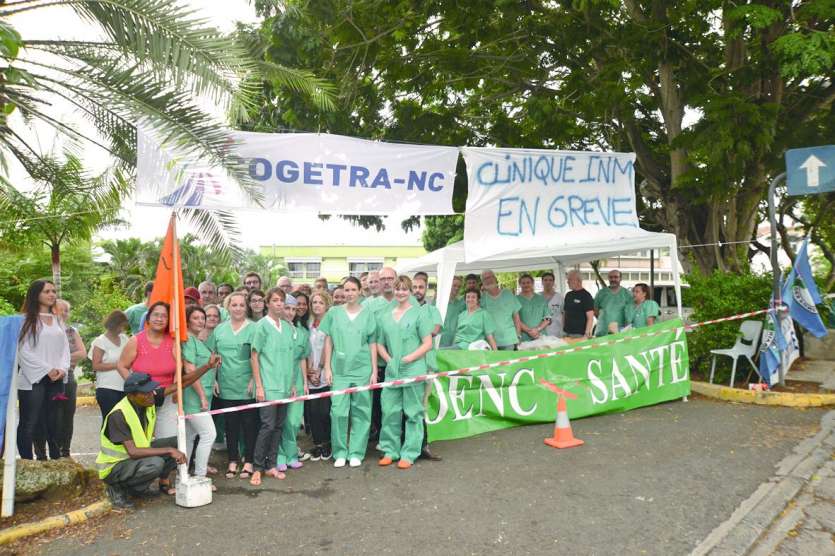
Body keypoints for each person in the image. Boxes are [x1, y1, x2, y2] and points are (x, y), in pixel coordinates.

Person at [96, 370, 215, 509]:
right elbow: (133, 452)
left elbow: (181, 384)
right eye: (145, 393)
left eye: (151, 391)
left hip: (133, 459)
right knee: (156, 463)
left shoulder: (148, 398)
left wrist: (208, 366)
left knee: (178, 442)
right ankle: (117, 489)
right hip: (114, 467)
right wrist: (169, 450)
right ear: (131, 395)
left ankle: (138, 489)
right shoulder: (118, 415)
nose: (151, 395)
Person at [376, 276, 433, 469]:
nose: (400, 292)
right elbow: (379, 344)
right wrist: (389, 360)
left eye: (404, 289)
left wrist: (410, 358)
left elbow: (427, 343)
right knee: (390, 411)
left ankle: (409, 453)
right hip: (393, 371)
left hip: (414, 369)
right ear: (393, 290)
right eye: (398, 289)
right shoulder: (385, 316)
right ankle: (390, 451)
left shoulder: (419, 314)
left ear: (409, 292)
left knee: (413, 413)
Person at [320, 276, 377, 468]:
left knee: (361, 411)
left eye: (353, 290)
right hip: (340, 369)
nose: (349, 293)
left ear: (360, 291)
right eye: (346, 290)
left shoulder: (368, 314)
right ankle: (340, 451)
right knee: (338, 411)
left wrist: (374, 370)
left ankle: (356, 452)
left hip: (362, 368)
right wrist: (327, 367)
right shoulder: (334, 313)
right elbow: (329, 340)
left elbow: (372, 343)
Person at [207, 291, 258, 480]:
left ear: (247, 307)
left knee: (249, 424)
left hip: (247, 385)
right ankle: (232, 460)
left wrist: (255, 379)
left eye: (241, 305)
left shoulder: (254, 328)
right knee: (231, 425)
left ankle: (249, 461)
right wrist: (214, 379)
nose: (238, 308)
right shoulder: (219, 330)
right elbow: (212, 356)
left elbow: (257, 356)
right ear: (228, 307)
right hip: (226, 384)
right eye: (234, 305)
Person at [16, 280, 69, 460]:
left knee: (54, 422)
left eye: (53, 291)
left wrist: (62, 368)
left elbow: (65, 349)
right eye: (47, 291)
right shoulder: (24, 320)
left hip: (56, 379)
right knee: (30, 423)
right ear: (36, 294)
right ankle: (27, 463)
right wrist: (47, 369)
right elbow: (23, 350)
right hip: (33, 380)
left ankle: (55, 460)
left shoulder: (58, 320)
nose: (52, 294)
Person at [249, 287, 295, 486]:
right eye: (275, 300)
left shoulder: (287, 328)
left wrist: (292, 384)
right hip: (268, 386)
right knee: (267, 426)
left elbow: (289, 358)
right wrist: (259, 386)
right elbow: (254, 355)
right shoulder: (261, 326)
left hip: (284, 386)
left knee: (278, 427)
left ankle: (271, 465)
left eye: (281, 300)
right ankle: (257, 467)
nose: (279, 304)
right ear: (268, 303)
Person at [117, 302, 178, 441]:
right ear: (148, 318)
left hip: (167, 396)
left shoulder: (174, 341)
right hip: (141, 397)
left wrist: (176, 390)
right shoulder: (136, 340)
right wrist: (135, 387)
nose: (160, 319)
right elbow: (121, 365)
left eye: (164, 316)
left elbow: (179, 368)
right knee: (142, 440)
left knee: (168, 440)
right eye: (156, 315)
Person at [181, 305, 221, 483]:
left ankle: (183, 474)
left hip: (201, 394)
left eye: (202, 318)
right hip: (194, 396)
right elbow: (190, 369)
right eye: (195, 318)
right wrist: (202, 396)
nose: (200, 321)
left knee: (189, 437)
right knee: (209, 434)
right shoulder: (189, 340)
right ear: (187, 320)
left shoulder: (197, 341)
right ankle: (199, 475)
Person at [42, 298, 85, 458]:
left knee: (67, 416)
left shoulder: (71, 331)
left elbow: (82, 353)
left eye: (67, 310)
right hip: (48, 378)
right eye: (62, 309)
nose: (65, 313)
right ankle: (49, 451)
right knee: (50, 415)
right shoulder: (43, 329)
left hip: (68, 377)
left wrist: (62, 360)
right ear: (52, 310)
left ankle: (65, 450)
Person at [276, 293, 310, 471]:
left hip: (297, 378)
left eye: (293, 309)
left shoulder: (301, 332)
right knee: (280, 419)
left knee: (294, 421)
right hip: (278, 378)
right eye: (287, 308)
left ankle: (291, 455)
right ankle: (280, 456)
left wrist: (304, 381)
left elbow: (303, 358)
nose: (290, 312)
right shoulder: (276, 329)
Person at [306, 291, 332, 461]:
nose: (317, 305)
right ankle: (318, 444)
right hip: (310, 372)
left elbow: (328, 346)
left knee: (324, 411)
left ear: (326, 305)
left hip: (325, 371)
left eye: (320, 302)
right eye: (314, 302)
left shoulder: (330, 323)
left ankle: (328, 442)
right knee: (312, 412)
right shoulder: (308, 324)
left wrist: (320, 369)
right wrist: (309, 370)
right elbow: (306, 348)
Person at [91, 310, 130, 419]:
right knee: (111, 421)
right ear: (114, 324)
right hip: (107, 388)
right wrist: (118, 365)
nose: (122, 329)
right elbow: (96, 365)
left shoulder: (124, 339)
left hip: (124, 387)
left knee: (124, 421)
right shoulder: (100, 341)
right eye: (120, 326)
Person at [480, 270, 521, 350]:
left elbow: (516, 317)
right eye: (485, 279)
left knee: (509, 362)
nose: (488, 280)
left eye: (490, 277)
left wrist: (518, 335)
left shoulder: (508, 294)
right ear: (483, 283)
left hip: (509, 340)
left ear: (495, 278)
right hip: (491, 341)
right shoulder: (482, 299)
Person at [594, 269, 632, 336]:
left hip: (620, 331)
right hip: (603, 330)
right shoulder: (601, 293)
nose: (613, 279)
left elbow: (631, 312)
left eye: (616, 277)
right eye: (611, 277)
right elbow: (595, 309)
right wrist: (604, 320)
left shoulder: (627, 294)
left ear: (620, 279)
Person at [516, 274, 550, 342]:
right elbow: (516, 319)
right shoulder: (515, 299)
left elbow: (547, 318)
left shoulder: (541, 299)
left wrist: (537, 329)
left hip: (541, 336)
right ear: (520, 284)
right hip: (524, 337)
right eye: (523, 283)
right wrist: (529, 331)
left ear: (532, 283)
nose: (526, 285)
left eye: (528, 282)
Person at [563, 270, 595, 338]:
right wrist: (563, 329)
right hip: (566, 333)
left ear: (578, 280)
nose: (567, 282)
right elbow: (565, 313)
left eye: (570, 279)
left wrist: (586, 334)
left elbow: (590, 317)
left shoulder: (586, 296)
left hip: (579, 334)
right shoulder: (568, 295)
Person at [440, 276, 465, 348]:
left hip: (455, 342)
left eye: (459, 286)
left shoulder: (461, 304)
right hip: (440, 341)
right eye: (454, 285)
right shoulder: (439, 302)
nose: (457, 288)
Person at [541, 272, 564, 338]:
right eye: (545, 280)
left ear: (553, 282)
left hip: (556, 332)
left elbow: (564, 314)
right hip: (541, 332)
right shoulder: (537, 297)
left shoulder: (560, 297)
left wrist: (563, 330)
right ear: (542, 282)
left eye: (550, 280)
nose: (548, 282)